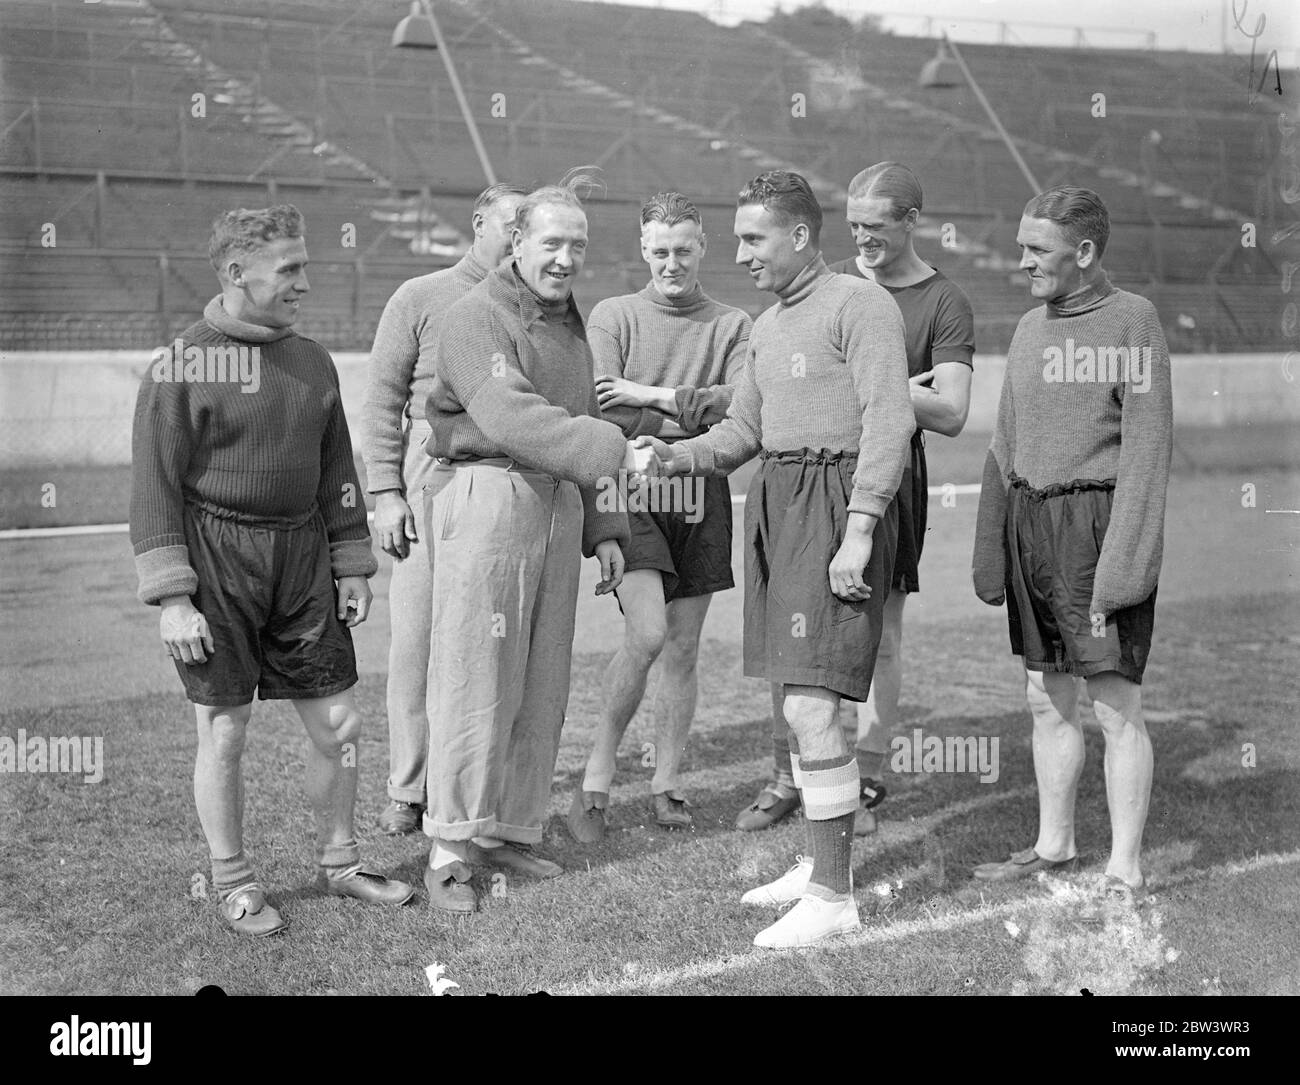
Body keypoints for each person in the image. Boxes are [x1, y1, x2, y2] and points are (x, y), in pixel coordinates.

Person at [639, 170, 913, 948]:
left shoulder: (861, 305)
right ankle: (821, 864)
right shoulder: (767, 325)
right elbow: (739, 435)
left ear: (798, 235)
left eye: (753, 238)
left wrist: (859, 528)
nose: (740, 253)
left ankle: (833, 894)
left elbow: (889, 421)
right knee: (797, 692)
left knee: (814, 703)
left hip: (834, 501)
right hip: (777, 502)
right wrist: (675, 455)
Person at [130, 204, 413, 938]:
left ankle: (344, 862)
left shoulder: (311, 361)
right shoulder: (181, 364)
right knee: (225, 731)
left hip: (302, 559)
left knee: (341, 722)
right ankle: (233, 880)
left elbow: (336, 474)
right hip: (217, 561)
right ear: (235, 273)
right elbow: (154, 489)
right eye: (290, 270)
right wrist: (173, 598)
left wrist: (352, 561)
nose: (304, 284)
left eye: (304, 267)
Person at [420, 171, 648, 913]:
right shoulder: (472, 316)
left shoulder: (570, 326)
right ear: (517, 240)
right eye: (552, 242)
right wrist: (615, 448)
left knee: (539, 682)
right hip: (491, 495)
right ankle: (451, 845)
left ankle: (509, 829)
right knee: (474, 675)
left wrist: (608, 525)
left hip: (558, 506)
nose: (565, 257)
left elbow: (574, 421)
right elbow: (513, 417)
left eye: (577, 245)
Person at [736, 162, 975, 836]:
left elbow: (951, 410)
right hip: (813, 476)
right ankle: (795, 774)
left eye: (875, 227)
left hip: (883, 475)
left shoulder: (941, 301)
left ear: (911, 222)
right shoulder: (835, 289)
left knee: (878, 632)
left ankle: (865, 773)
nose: (862, 240)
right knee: (800, 635)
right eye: (853, 228)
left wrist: (885, 384)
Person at [971, 186, 1171, 905]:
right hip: (1032, 525)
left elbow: (1148, 453)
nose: (1022, 261)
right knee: (1045, 696)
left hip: (1096, 531)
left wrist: (1125, 565)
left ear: (1083, 253)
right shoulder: (1029, 327)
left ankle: (1124, 866)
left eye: (1037, 250)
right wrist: (991, 544)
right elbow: (1003, 441)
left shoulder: (1134, 321)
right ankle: (1054, 845)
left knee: (1115, 704)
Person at [566, 192, 751, 841]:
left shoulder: (733, 324)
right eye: (660, 251)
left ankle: (667, 782)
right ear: (644, 248)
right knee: (644, 634)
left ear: (703, 246)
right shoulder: (614, 315)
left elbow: (742, 413)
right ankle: (595, 777)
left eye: (684, 250)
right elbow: (599, 407)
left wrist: (649, 396)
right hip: (631, 490)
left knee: (682, 646)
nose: (672, 263)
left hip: (702, 489)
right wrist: (683, 414)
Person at [362, 182, 525, 836]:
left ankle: (478, 790)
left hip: (506, 492)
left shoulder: (535, 305)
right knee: (417, 646)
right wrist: (385, 493)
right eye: (511, 224)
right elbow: (380, 401)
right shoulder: (421, 295)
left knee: (489, 646)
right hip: (430, 485)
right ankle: (408, 786)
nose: (518, 239)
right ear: (480, 220)